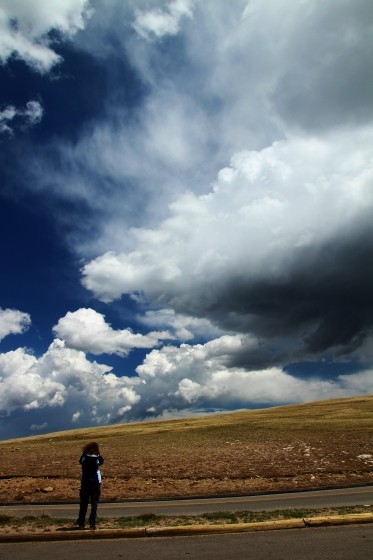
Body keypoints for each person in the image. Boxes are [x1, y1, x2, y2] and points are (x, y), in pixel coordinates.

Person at [77, 441, 104, 530]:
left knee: (83, 504)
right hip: (95, 483)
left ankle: (81, 522)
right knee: (94, 504)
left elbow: (80, 461)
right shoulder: (97, 459)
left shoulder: (84, 458)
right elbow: (101, 462)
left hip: (85, 483)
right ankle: (92, 523)